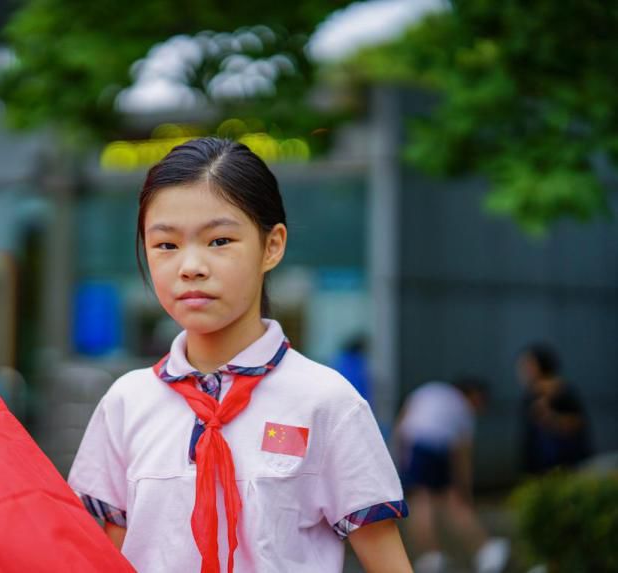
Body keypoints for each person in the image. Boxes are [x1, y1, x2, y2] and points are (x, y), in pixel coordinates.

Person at [68, 138, 411, 572]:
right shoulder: (125, 403)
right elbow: (108, 555)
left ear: (272, 246)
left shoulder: (326, 402)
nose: (190, 265)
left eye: (219, 240)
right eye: (166, 245)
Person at [394, 379, 509, 573]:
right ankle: (482, 549)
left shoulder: (429, 390)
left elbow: (402, 422)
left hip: (415, 445)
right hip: (435, 448)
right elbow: (462, 453)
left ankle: (430, 556)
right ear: (473, 395)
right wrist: (465, 488)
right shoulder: (463, 407)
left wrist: (398, 456)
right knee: (439, 501)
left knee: (422, 501)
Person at [517, 343, 592, 474]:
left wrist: (550, 417)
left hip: (565, 464)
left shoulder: (563, 391)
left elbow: (578, 423)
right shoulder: (530, 394)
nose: (522, 370)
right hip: (539, 465)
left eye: (528, 365)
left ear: (541, 365)